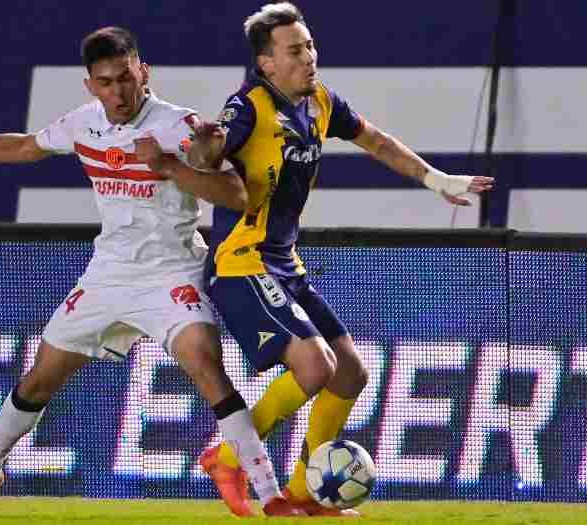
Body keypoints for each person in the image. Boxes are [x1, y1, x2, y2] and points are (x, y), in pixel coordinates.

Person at [0, 26, 300, 517]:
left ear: (143, 72)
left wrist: (175, 165)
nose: (119, 92)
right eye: (106, 82)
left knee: (204, 363)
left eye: (126, 78)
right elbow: (24, 147)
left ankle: (271, 494)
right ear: (90, 85)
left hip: (171, 273)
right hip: (107, 275)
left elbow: (235, 195)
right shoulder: (83, 123)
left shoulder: (180, 125)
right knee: (39, 379)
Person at [186, 2, 496, 518]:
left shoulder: (320, 103)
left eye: (309, 45)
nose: (309, 56)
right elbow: (204, 161)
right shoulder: (246, 108)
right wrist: (203, 149)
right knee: (315, 365)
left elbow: (376, 140)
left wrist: (436, 179)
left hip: (284, 264)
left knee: (350, 374)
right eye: (295, 49)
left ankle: (306, 497)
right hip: (241, 264)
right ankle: (225, 455)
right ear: (265, 63)